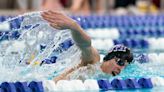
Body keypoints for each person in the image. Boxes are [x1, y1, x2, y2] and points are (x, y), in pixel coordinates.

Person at [41, 10, 133, 82]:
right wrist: (74, 26)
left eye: (125, 66)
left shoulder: (106, 79)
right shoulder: (93, 62)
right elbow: (85, 44)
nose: (121, 69)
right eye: (120, 62)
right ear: (109, 58)